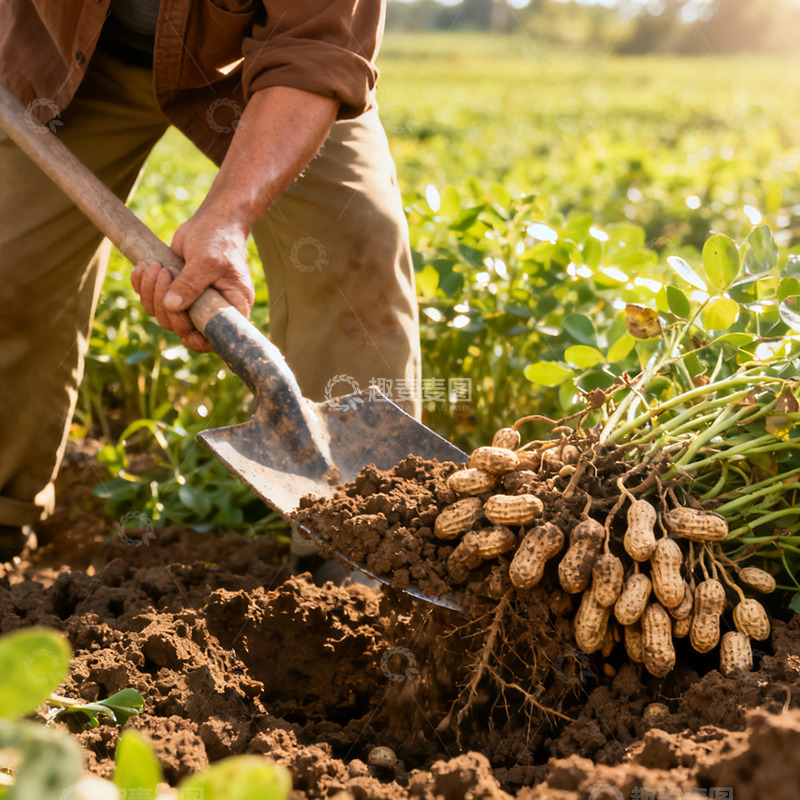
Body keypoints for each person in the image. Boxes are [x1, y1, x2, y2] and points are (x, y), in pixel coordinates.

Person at [0, 0, 421, 565]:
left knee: (356, 250)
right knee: (10, 273)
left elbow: (316, 46)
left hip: (266, 71)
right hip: (63, 61)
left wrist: (226, 218)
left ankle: (362, 550)